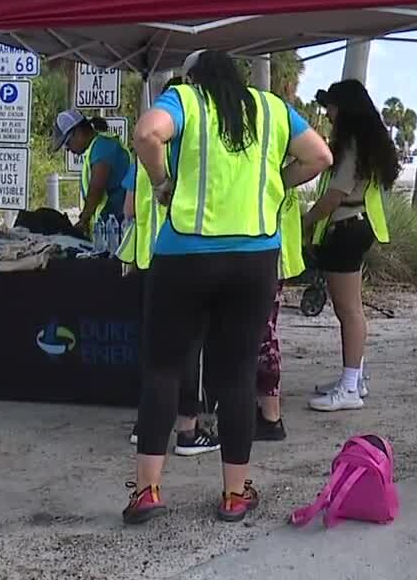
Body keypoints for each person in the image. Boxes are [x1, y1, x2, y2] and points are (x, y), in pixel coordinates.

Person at [124, 50, 332, 525]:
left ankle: (147, 491)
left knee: (163, 368)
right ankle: (235, 495)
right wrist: (281, 181)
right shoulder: (273, 108)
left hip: (184, 256)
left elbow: (146, 134)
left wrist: (162, 183)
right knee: (237, 374)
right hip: (254, 258)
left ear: (192, 77)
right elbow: (321, 155)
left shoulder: (185, 101)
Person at [118, 76, 219, 456]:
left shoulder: (141, 155)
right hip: (184, 256)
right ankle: (188, 430)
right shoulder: (194, 153)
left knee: (155, 349)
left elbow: (128, 208)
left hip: (147, 260)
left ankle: (144, 424)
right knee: (189, 346)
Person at [304, 79, 397, 413]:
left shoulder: (351, 145)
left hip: (346, 228)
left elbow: (333, 196)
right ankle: (353, 377)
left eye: (331, 106)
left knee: (348, 310)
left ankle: (349, 388)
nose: (327, 113)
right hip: (355, 226)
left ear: (345, 108)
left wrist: (307, 220)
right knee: (350, 308)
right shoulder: (365, 142)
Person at [254, 184, 308, 442]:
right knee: (261, 332)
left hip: (267, 247)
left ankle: (270, 416)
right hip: (267, 244)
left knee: (264, 333)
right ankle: (264, 410)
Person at [49, 109, 130, 238]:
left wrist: (83, 220)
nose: (68, 149)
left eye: (68, 143)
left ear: (79, 132)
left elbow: (96, 188)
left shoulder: (103, 146)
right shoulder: (95, 148)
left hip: (117, 226)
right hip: (108, 227)